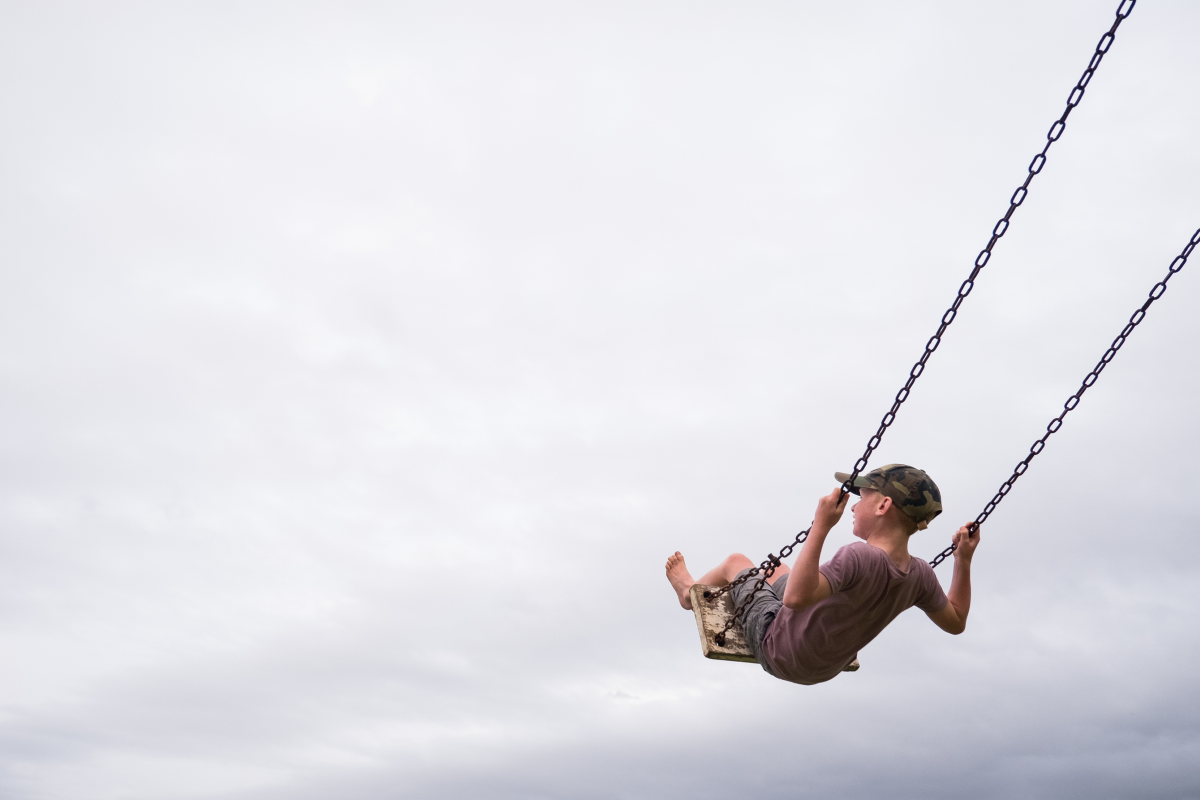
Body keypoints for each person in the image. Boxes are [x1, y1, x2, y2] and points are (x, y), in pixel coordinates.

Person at [664, 464, 979, 685]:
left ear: (883, 506)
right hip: (826, 667)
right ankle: (705, 588)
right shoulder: (919, 574)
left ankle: (689, 592)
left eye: (862, 497)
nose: (854, 507)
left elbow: (796, 598)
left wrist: (821, 525)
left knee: (736, 561)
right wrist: (963, 560)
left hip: (780, 649)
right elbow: (956, 622)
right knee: (776, 570)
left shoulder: (859, 556)